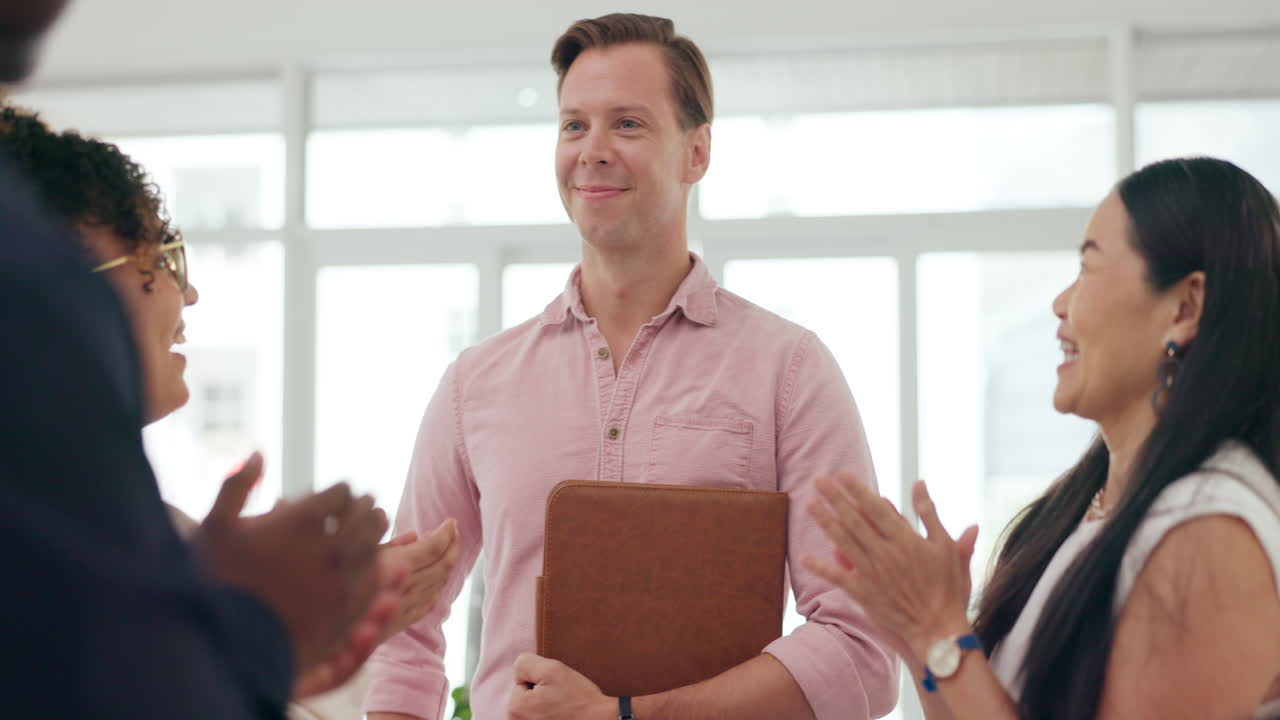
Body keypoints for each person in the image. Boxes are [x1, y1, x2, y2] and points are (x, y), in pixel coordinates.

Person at [366, 13, 898, 720]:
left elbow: (861, 650)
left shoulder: (790, 373)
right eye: (573, 125)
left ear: (697, 152)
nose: (592, 151)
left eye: (628, 124)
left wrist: (628, 715)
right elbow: (404, 624)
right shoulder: (475, 386)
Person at [0, 3, 401, 716]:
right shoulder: (28, 288)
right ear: (79, 255)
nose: (189, 292)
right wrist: (253, 617)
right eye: (164, 252)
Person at [805, 157, 1280, 719]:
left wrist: (940, 630)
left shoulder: (1210, 531)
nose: (1060, 303)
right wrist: (922, 641)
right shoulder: (1083, 509)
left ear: (1185, 307)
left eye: (1088, 267)